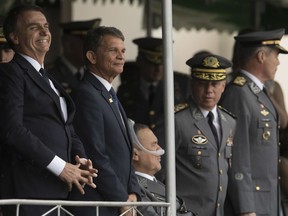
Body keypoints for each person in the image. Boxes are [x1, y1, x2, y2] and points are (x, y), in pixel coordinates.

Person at [0, 5, 97, 216]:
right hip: (28, 191)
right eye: (34, 27)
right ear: (15, 37)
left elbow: (66, 126)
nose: (45, 32)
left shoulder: (48, 77)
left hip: (57, 191)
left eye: (46, 26)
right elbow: (12, 129)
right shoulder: (11, 72)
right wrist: (61, 167)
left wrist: (79, 157)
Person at [69, 26, 141, 216]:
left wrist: (133, 191)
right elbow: (95, 154)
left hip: (117, 202)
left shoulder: (108, 94)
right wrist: (121, 199)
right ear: (92, 57)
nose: (121, 56)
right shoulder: (87, 94)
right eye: (113, 50)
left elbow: (125, 154)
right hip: (99, 205)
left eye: (123, 51)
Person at [156, 53, 236, 216]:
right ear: (191, 84)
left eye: (214, 84)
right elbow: (155, 172)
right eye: (202, 84)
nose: (209, 90)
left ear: (224, 85)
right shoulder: (176, 120)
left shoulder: (229, 121)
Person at [219, 28, 288, 216]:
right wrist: (246, 207)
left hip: (267, 200)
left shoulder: (257, 92)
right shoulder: (239, 94)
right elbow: (237, 156)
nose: (278, 62)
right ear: (261, 56)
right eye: (275, 56)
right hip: (252, 204)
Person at [117, 37, 190, 129]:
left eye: (161, 63)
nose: (158, 69)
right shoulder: (126, 90)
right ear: (139, 61)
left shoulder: (179, 87)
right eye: (152, 63)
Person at [129, 120, 196, 216]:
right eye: (154, 144)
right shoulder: (136, 188)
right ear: (135, 154)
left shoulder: (156, 184)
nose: (160, 149)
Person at [48, 18, 101, 94]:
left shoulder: (94, 75)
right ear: (67, 44)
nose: (92, 49)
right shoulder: (49, 75)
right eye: (86, 44)